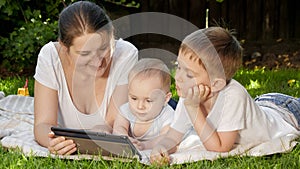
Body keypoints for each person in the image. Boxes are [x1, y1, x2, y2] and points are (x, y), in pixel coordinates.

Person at [150, 26, 300, 164]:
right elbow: (173, 136)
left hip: (287, 113)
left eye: (189, 74)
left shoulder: (233, 95)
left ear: (216, 84)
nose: (179, 77)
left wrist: (194, 109)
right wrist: (161, 147)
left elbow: (220, 147)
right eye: (179, 67)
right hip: (263, 104)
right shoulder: (190, 96)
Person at [33, 1, 138, 155]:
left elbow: (112, 125)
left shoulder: (126, 55)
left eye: (103, 48)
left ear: (112, 34)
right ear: (64, 47)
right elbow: (43, 124)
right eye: (85, 54)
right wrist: (53, 142)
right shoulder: (50, 57)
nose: (98, 62)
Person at [113, 58, 175, 150]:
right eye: (134, 98)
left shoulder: (167, 114)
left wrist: (146, 146)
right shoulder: (126, 110)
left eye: (148, 100)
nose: (140, 106)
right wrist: (126, 140)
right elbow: (118, 128)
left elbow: (166, 137)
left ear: (165, 99)